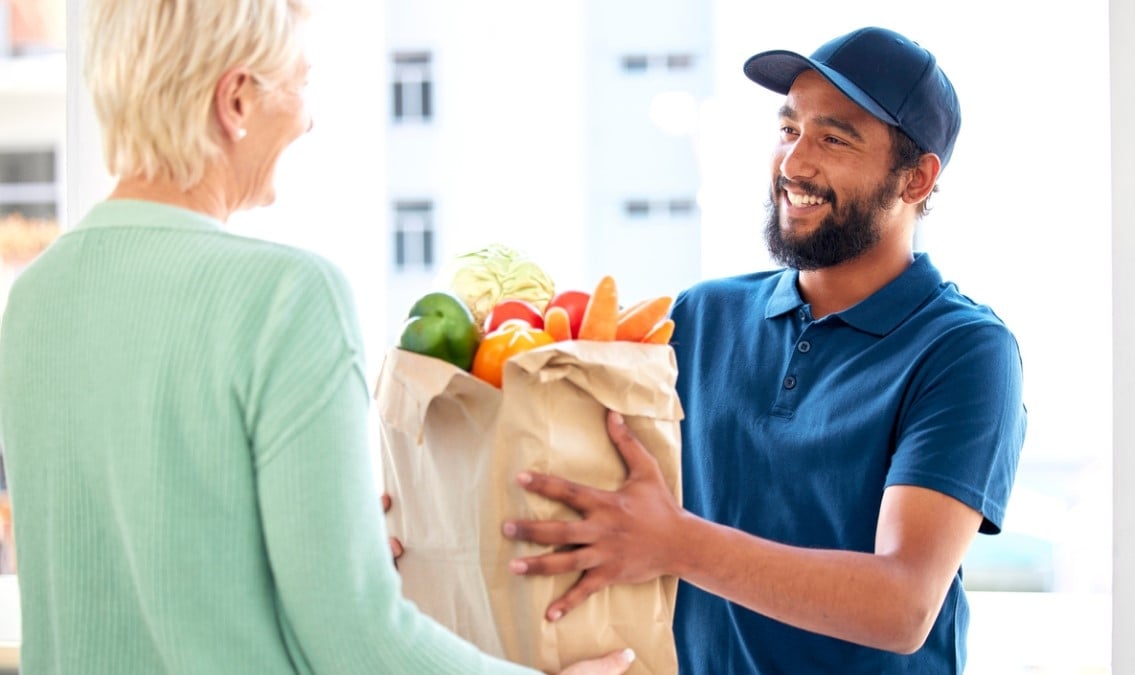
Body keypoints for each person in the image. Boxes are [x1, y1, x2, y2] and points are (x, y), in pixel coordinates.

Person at [0, 2, 633, 674]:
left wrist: (309, 540)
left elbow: (127, 573)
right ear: (236, 99)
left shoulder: (36, 296)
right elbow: (358, 639)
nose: (307, 118)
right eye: (301, 84)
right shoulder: (288, 294)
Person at [501, 26, 1027, 674]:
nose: (794, 162)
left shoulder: (964, 351)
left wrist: (678, 544)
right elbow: (606, 505)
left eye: (834, 137)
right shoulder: (699, 316)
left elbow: (904, 603)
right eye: (787, 130)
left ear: (916, 179)